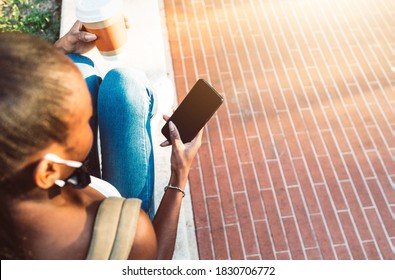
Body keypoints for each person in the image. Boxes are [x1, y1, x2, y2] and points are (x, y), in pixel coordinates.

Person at [0, 22, 202, 260]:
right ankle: (145, 105)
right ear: (48, 170)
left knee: (85, 69)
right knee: (129, 88)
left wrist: (58, 52)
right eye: (85, 118)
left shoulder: (20, 176)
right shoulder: (130, 232)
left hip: (73, 179)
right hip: (118, 222)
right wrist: (179, 174)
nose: (90, 115)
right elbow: (156, 261)